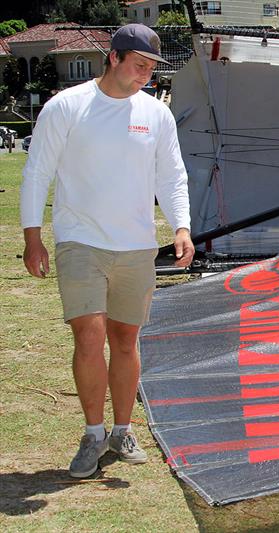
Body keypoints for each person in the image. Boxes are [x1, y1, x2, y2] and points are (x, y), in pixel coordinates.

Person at [20, 24, 195, 479]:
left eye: (152, 69)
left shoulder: (156, 115)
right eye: (139, 66)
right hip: (80, 241)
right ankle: (93, 434)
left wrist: (181, 226)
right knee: (89, 336)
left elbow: (172, 176)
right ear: (114, 57)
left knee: (125, 340)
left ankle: (122, 429)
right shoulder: (67, 107)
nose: (145, 76)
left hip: (135, 246)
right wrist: (32, 235)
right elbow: (37, 172)